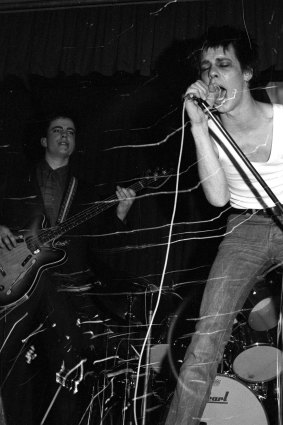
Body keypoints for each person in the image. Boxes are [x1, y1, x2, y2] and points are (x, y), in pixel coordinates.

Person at [164, 26, 282, 425]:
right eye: (206, 67)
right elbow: (217, 198)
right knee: (204, 343)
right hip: (244, 228)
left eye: (224, 64)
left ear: (247, 72)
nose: (213, 75)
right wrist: (198, 125)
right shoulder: (211, 130)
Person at [0, 112, 136, 425]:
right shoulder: (13, 181)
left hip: (65, 289)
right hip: (17, 284)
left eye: (71, 132)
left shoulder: (87, 191)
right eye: (58, 130)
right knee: (11, 365)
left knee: (69, 369)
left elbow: (104, 243)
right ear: (44, 140)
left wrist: (121, 212)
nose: (65, 135)